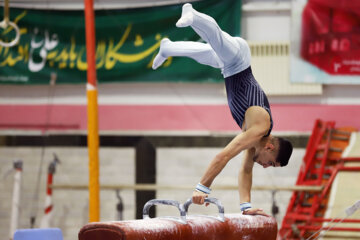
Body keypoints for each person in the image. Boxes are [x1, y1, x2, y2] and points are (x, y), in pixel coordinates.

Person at [152, 3, 293, 216]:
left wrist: (246, 207)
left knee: (202, 53)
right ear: (270, 148)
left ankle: (167, 47)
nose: (265, 167)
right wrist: (202, 187)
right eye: (270, 164)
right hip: (238, 60)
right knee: (216, 39)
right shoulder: (260, 128)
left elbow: (245, 170)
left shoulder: (255, 142)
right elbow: (223, 156)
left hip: (229, 69)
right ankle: (193, 15)